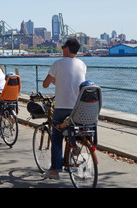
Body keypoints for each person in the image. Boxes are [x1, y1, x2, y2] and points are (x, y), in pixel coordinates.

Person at [42, 38, 87, 180]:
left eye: (62, 47)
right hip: (78, 108)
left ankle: (55, 170)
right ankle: (74, 145)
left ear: (67, 48)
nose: (61, 49)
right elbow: (73, 82)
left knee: (56, 138)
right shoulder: (82, 64)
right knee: (72, 128)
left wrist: (51, 80)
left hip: (62, 108)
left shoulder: (57, 63)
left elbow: (45, 84)